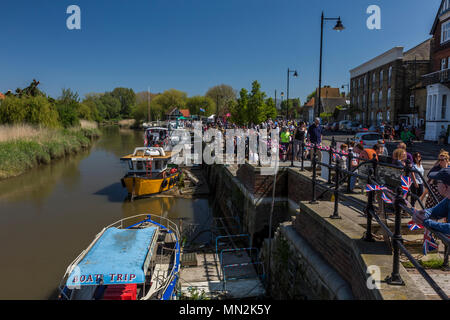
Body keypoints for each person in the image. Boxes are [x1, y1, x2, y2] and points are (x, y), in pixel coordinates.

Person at [412, 167, 450, 235]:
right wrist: (423, 214)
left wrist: (425, 221)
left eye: (437, 182)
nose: (435, 185)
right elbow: (434, 211)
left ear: (445, 187)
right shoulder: (448, 199)